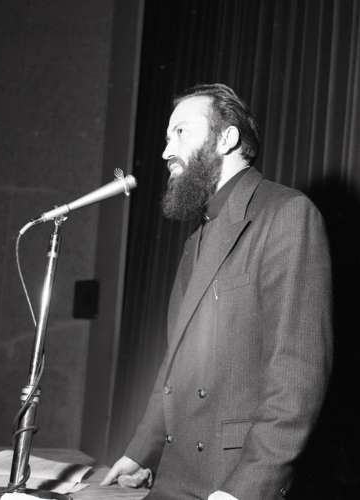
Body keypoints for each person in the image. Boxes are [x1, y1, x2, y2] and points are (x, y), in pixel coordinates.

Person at [101, 83, 332, 500]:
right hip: (177, 476)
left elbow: (297, 374)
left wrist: (243, 490)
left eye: (180, 133)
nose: (166, 151)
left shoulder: (288, 213)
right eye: (167, 137)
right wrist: (141, 452)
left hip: (230, 481)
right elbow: (177, 366)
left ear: (227, 139)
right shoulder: (198, 237)